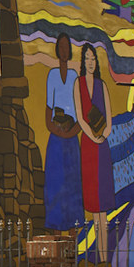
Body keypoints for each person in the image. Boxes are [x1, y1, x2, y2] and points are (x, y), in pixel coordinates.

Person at [74, 43, 115, 263]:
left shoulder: (102, 86)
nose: (90, 62)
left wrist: (103, 136)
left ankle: (104, 257)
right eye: (87, 58)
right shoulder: (78, 84)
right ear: (83, 61)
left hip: (102, 147)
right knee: (93, 205)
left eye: (93, 58)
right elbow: (80, 117)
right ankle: (98, 258)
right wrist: (92, 136)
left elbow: (109, 118)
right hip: (88, 147)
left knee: (103, 208)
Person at [44, 33, 83, 232]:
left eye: (67, 46)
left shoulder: (75, 77)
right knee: (56, 181)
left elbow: (79, 111)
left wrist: (71, 132)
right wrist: (59, 131)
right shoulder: (51, 75)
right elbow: (47, 113)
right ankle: (55, 226)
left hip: (71, 137)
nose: (64, 50)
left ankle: (73, 226)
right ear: (57, 49)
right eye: (61, 46)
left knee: (73, 182)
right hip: (57, 138)